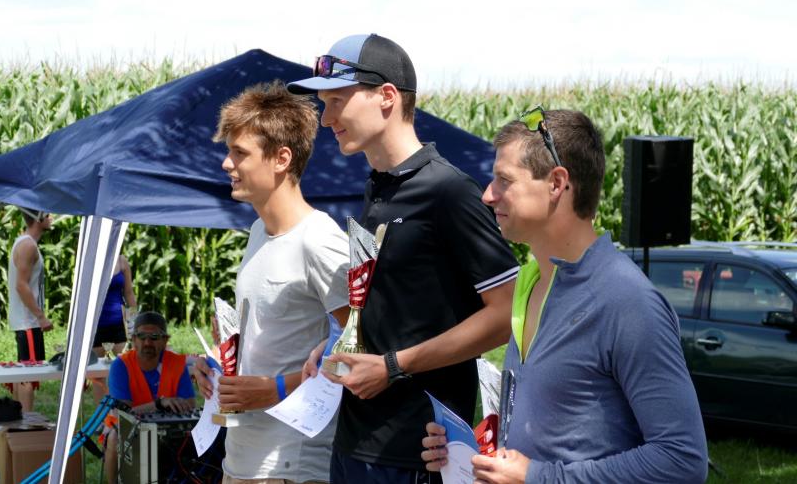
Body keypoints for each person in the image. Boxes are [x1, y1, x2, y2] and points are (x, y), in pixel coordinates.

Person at [421, 109, 708, 483]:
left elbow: (682, 459)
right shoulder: (530, 283)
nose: (488, 194)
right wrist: (469, 452)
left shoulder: (628, 301)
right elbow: (553, 437)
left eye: (504, 180)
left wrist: (537, 477)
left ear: (556, 183)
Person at [288, 34, 518, 484]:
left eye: (337, 102)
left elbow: (507, 314)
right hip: (353, 442)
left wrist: (394, 366)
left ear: (387, 97)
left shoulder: (448, 191)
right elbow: (397, 306)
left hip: (415, 453)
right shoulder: (377, 189)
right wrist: (335, 342)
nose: (326, 118)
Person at [193, 82, 350, 484]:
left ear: (282, 158)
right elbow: (267, 336)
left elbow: (359, 350)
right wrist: (215, 365)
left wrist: (276, 388)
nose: (226, 164)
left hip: (292, 464)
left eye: (239, 152)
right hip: (241, 459)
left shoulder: (319, 240)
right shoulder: (257, 233)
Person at [103, 311, 195, 484]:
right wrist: (159, 404)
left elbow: (190, 403)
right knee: (115, 436)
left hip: (169, 427)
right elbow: (122, 414)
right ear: (133, 339)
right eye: (141, 336)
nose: (147, 342)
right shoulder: (120, 365)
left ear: (165, 340)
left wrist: (170, 406)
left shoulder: (176, 363)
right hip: (126, 426)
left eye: (154, 337)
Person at [7, 207, 53, 411]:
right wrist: (40, 317)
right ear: (38, 218)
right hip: (28, 322)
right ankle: (25, 424)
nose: (51, 217)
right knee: (28, 377)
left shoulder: (26, 242)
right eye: (48, 214)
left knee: (23, 374)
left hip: (25, 322)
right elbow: (21, 285)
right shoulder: (28, 246)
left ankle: (17, 423)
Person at [91, 254, 138, 402]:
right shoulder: (92, 258)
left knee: (125, 368)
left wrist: (135, 322)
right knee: (98, 375)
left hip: (118, 323)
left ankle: (123, 411)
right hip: (96, 324)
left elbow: (129, 292)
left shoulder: (122, 261)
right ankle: (102, 413)